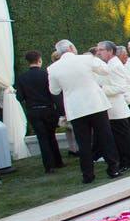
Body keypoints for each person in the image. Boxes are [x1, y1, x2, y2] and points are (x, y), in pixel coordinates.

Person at [48, 39, 120, 184]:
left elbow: (54, 90)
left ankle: (88, 175)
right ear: (71, 48)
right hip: (96, 104)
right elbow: (105, 70)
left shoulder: (53, 68)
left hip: (75, 108)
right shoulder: (86, 59)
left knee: (83, 143)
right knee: (105, 137)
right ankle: (113, 169)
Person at [15, 50, 65, 173]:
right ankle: (58, 161)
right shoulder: (46, 75)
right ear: (39, 60)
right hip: (48, 109)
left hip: (33, 111)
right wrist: (61, 111)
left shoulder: (22, 78)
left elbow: (19, 98)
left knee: (42, 138)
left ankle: (49, 166)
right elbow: (54, 93)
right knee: (51, 136)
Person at [96, 42, 130, 169]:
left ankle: (129, 162)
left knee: (123, 137)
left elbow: (121, 87)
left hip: (118, 107)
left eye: (101, 49)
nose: (98, 52)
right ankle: (127, 161)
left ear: (110, 51)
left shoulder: (115, 65)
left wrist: (101, 88)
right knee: (121, 137)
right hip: (114, 107)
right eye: (98, 49)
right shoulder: (111, 64)